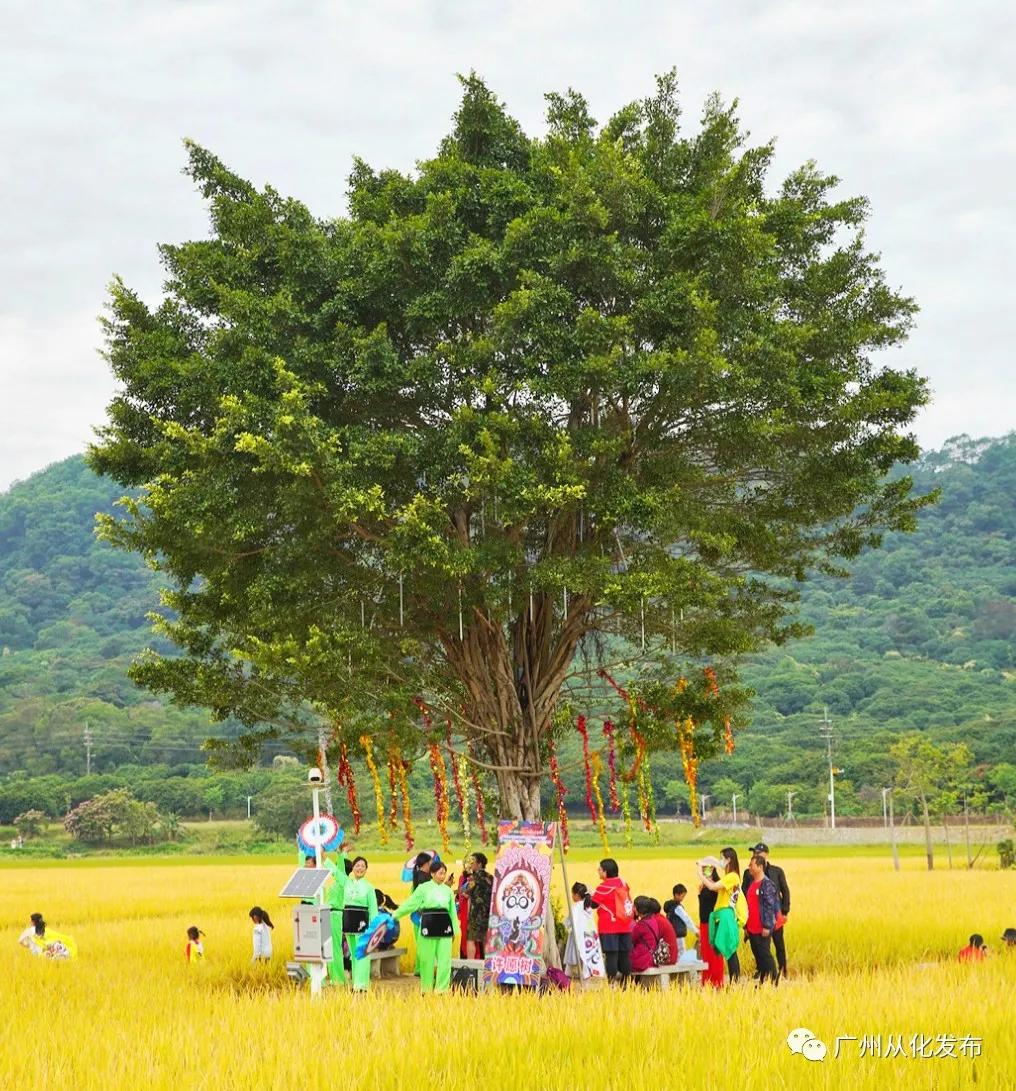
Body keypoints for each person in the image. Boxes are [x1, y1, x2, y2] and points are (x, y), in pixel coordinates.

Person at [393, 859, 459, 993]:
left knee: (444, 960)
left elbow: (452, 912)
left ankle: (442, 989)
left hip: (445, 926)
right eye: (440, 873)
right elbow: (410, 904)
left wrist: (454, 930)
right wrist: (395, 915)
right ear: (432, 874)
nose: (442, 876)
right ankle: (426, 989)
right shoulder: (423, 888)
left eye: (444, 874)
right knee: (426, 959)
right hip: (428, 924)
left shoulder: (448, 891)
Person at [328, 850, 379, 992]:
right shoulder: (347, 882)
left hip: (362, 923)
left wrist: (373, 928)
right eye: (357, 865)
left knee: (362, 954)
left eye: (363, 866)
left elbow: (374, 910)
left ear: (366, 869)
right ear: (353, 868)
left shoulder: (369, 888)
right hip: (349, 922)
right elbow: (335, 872)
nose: (360, 868)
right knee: (354, 954)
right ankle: (357, 983)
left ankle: (362, 985)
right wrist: (326, 855)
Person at [742, 842, 790, 977]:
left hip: (775, 914)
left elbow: (785, 891)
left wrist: (785, 911)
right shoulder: (748, 874)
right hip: (757, 917)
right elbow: (744, 894)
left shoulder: (777, 871)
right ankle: (762, 972)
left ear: (766, 855)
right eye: (754, 853)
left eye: (758, 853)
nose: (755, 855)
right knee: (761, 947)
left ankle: (782, 969)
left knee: (779, 943)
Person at [697, 848, 742, 983]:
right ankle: (733, 982)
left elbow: (712, 887)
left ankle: (733, 982)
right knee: (725, 949)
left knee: (728, 950)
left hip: (726, 916)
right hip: (720, 916)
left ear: (728, 859)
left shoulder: (732, 877)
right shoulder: (729, 876)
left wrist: (700, 872)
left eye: (722, 858)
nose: (720, 861)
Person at [591, 857, 634, 984]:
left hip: (609, 927)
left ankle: (612, 984)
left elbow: (593, 904)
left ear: (605, 872)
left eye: (600, 869)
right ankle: (626, 984)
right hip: (625, 925)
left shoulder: (603, 887)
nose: (598, 871)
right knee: (624, 955)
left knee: (611, 956)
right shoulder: (623, 883)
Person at [743, 854, 779, 984]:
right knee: (758, 957)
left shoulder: (767, 885)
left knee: (765, 955)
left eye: (751, 865)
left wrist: (767, 926)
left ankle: (774, 981)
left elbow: (770, 906)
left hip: (761, 928)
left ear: (760, 866)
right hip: (752, 928)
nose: (749, 867)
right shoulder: (752, 884)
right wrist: (746, 927)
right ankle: (763, 981)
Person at [563, 882, 604, 980]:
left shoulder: (576, 907)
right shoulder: (587, 906)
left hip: (577, 934)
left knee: (575, 952)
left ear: (576, 895)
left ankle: (571, 974)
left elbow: (571, 921)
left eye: (572, 894)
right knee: (587, 953)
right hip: (588, 935)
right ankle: (586, 972)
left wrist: (565, 924)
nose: (572, 896)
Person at [631, 896, 675, 977]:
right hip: (652, 958)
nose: (632, 908)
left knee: (623, 963)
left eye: (634, 906)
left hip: (643, 959)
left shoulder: (641, 925)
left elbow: (630, 940)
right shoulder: (653, 920)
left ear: (638, 909)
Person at [463, 852, 494, 959]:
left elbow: (465, 893)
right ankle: (488, 966)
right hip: (489, 914)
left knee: (471, 940)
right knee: (486, 940)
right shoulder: (491, 877)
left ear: (479, 864)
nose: (471, 864)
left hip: (475, 915)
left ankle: (470, 966)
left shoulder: (473, 878)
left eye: (473, 862)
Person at [697, 868, 724, 987]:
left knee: (714, 952)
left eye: (706, 869)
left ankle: (716, 980)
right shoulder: (703, 886)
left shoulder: (717, 885)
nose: (704, 871)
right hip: (703, 922)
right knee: (705, 952)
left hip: (712, 922)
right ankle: (707, 979)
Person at [666, 883, 699, 957]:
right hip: (679, 935)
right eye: (682, 896)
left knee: (674, 954)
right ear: (676, 895)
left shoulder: (670, 906)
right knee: (681, 954)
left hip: (673, 934)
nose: (683, 898)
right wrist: (695, 930)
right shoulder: (677, 907)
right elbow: (686, 919)